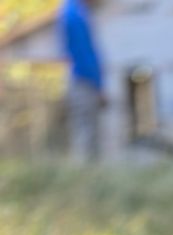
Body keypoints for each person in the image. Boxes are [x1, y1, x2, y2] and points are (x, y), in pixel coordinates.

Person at [58, 0, 105, 161]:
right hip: (84, 81)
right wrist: (98, 85)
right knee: (87, 134)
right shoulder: (75, 15)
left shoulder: (71, 11)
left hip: (80, 79)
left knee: (85, 132)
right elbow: (84, 55)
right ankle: (86, 173)